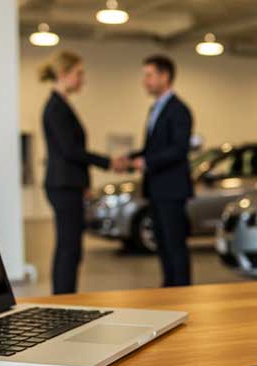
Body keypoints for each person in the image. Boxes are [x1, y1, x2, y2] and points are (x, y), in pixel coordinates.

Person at [39, 50, 127, 295]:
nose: (82, 79)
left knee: (70, 247)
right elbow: (71, 151)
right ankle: (63, 300)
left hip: (69, 184)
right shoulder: (56, 108)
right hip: (63, 185)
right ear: (64, 74)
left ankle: (64, 296)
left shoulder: (62, 105)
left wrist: (84, 183)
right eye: (79, 73)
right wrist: (108, 162)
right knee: (69, 248)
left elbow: (72, 152)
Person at [128, 55, 194, 287]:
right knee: (163, 246)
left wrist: (145, 162)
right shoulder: (155, 108)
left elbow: (178, 149)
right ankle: (169, 291)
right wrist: (131, 158)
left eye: (149, 75)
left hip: (172, 190)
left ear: (164, 76)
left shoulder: (179, 110)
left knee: (175, 246)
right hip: (156, 189)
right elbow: (154, 148)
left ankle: (183, 293)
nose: (145, 81)